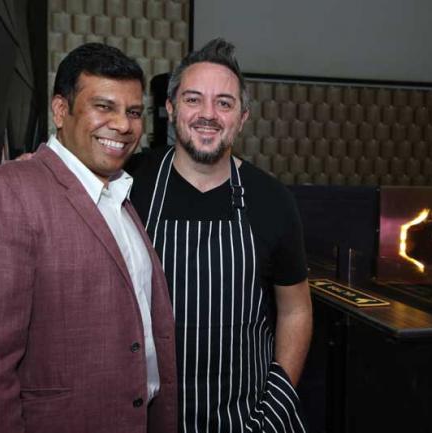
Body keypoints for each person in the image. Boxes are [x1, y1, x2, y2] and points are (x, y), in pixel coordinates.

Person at [0, 43, 177, 433]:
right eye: (104, 107)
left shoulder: (120, 195)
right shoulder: (5, 193)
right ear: (61, 110)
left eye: (133, 112)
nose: (123, 125)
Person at [127, 38, 312, 433]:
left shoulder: (272, 199)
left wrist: (274, 410)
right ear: (171, 108)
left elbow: (296, 311)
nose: (208, 115)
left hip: (250, 418)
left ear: (242, 118)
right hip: (149, 420)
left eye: (224, 103)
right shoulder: (129, 187)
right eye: (193, 100)